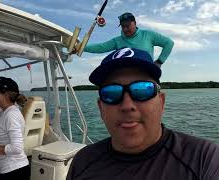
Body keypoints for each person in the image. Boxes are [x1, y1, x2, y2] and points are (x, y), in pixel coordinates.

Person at [66, 47, 219, 180]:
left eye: (142, 90)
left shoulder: (204, 159)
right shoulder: (83, 160)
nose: (127, 105)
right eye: (111, 93)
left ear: (161, 102)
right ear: (100, 107)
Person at [83, 12, 174, 67]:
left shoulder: (148, 35)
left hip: (147, 75)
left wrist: (160, 61)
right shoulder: (117, 41)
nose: (125, 29)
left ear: (135, 23)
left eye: (128, 26)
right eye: (123, 26)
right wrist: (81, 47)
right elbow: (100, 47)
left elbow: (169, 43)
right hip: (125, 75)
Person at [0, 76, 30, 180]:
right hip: (9, 170)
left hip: (15, 171)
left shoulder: (11, 115)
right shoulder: (3, 112)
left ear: (5, 94)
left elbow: (16, 148)